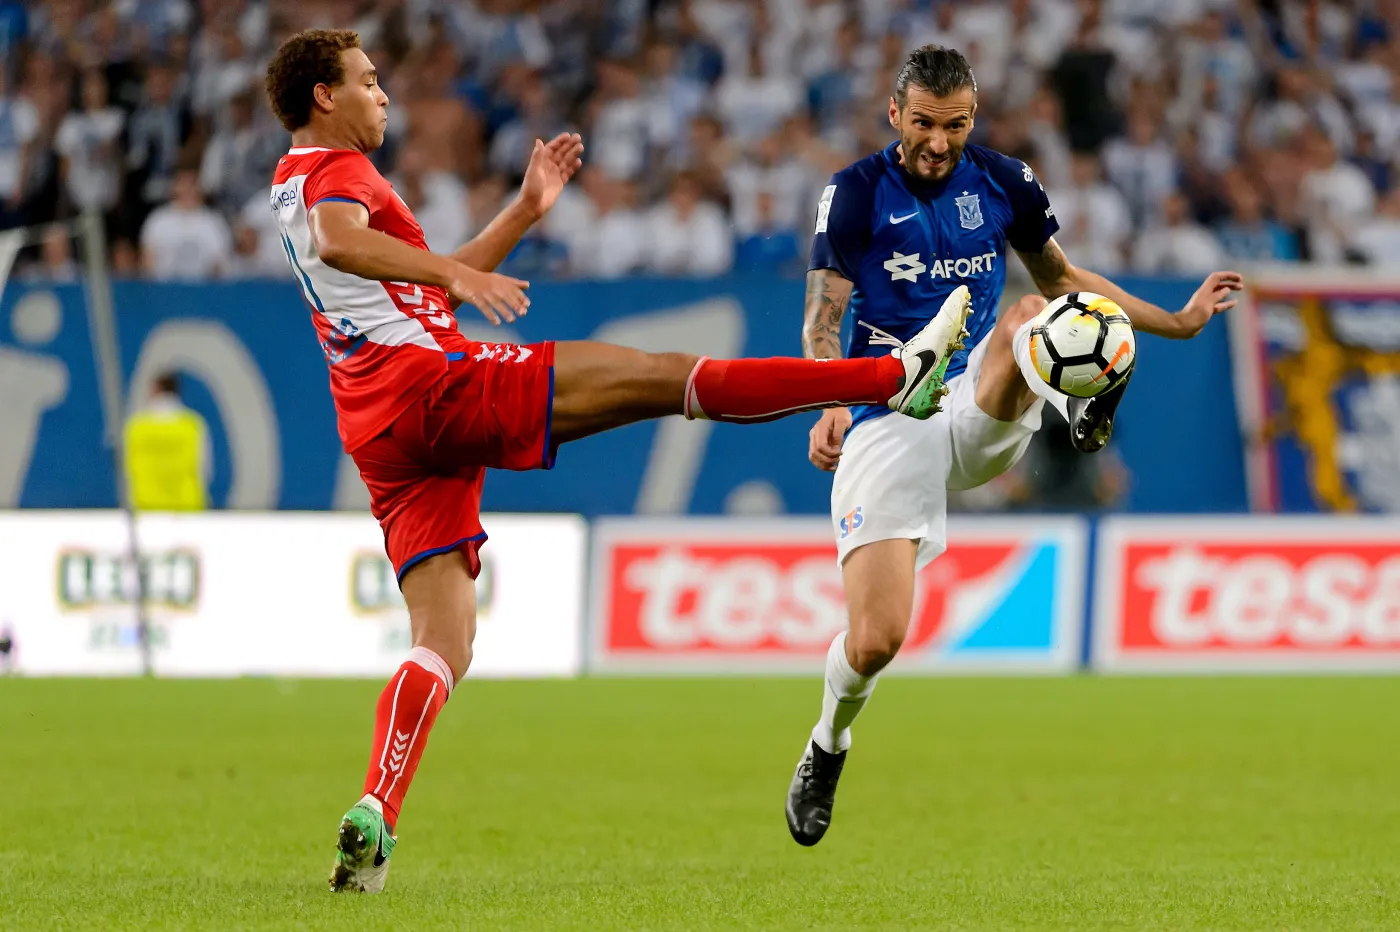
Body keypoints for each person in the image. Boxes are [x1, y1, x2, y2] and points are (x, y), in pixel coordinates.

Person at [262, 29, 969, 894]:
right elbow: (345, 244)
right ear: (325, 98)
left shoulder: (287, 184)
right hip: (429, 387)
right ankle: (897, 370)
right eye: (368, 84)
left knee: (443, 641)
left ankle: (375, 812)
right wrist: (458, 274)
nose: (383, 96)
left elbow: (412, 284)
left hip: (380, 432)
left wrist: (522, 212)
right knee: (662, 379)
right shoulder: (335, 176)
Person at [787, 45, 1242, 847]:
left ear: (973, 118)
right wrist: (828, 396)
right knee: (875, 640)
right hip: (887, 413)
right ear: (896, 114)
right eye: (924, 124)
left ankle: (1077, 401)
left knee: (1027, 314)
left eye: (955, 124)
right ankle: (828, 745)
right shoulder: (854, 192)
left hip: (978, 402)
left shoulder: (1003, 181)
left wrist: (1176, 320)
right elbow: (823, 319)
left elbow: (1065, 277)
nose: (938, 141)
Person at [122, 372, 211, 512]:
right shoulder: (193, 425)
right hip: (186, 507)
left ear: (155, 389)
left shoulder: (137, 427)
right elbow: (204, 469)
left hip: (146, 506)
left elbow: (127, 469)